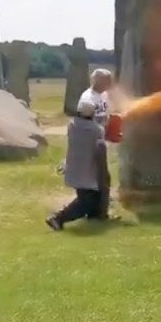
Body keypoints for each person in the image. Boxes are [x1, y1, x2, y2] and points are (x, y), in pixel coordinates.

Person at [47, 99, 110, 231]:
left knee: (92, 198)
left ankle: (94, 216)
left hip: (74, 167)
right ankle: (57, 218)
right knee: (86, 202)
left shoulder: (72, 125)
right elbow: (99, 148)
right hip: (88, 170)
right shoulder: (96, 130)